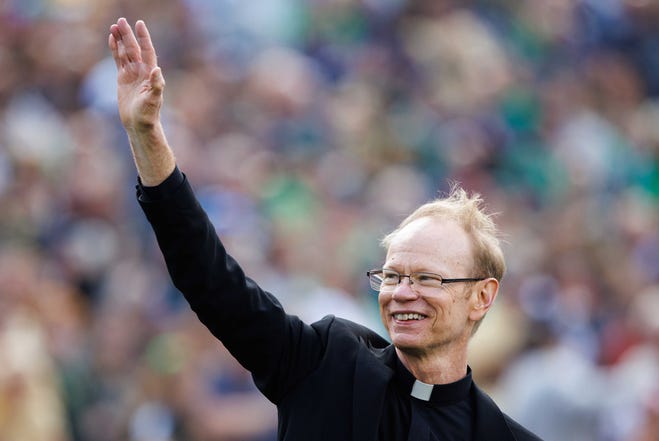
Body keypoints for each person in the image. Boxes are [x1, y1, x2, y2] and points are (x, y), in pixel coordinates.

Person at [108, 17, 543, 441]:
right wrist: (146, 135)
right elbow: (210, 279)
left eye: (427, 278)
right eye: (392, 276)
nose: (402, 293)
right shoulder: (329, 360)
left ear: (482, 296)